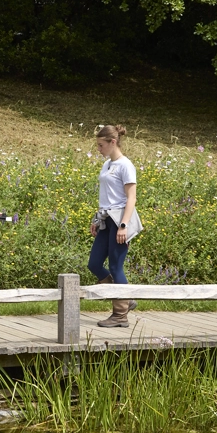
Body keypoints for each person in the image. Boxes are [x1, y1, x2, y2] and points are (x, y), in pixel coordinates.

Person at [88, 124, 142, 328]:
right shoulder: (107, 165)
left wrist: (123, 226)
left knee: (115, 266)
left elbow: (131, 198)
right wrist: (96, 219)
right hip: (106, 220)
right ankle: (125, 299)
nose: (98, 149)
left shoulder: (126, 165)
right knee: (93, 264)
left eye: (101, 145)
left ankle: (120, 315)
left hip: (120, 220)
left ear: (113, 142)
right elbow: (106, 198)